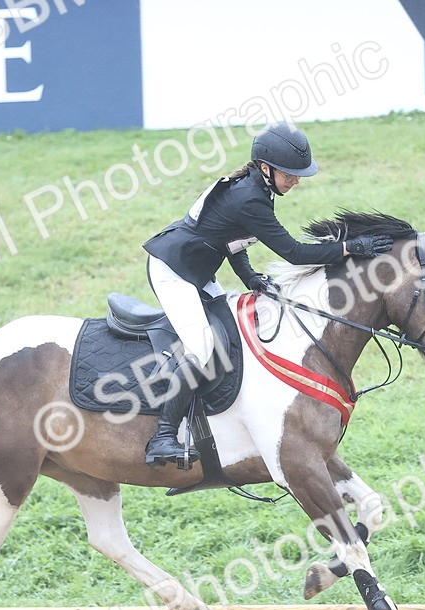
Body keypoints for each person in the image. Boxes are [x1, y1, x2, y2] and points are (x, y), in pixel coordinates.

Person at [141, 121, 394, 468]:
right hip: (174, 271)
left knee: (230, 334)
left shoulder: (255, 190)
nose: (296, 180)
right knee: (201, 346)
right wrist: (350, 248)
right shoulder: (249, 198)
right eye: (290, 174)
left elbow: (232, 239)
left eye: (298, 174)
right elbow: (294, 253)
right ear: (265, 167)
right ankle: (164, 436)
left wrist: (249, 277)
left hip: (197, 268)